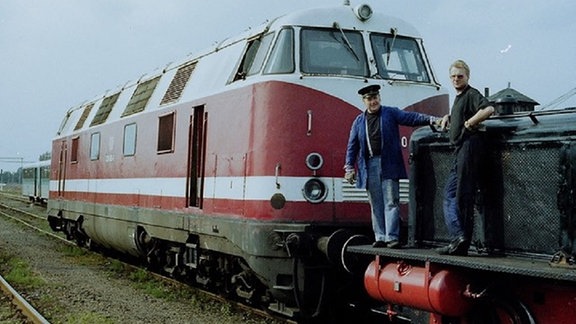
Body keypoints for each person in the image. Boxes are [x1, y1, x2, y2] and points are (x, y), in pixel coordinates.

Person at [344, 84, 448, 248]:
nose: (373, 101)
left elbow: (411, 118)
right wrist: (349, 168)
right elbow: (352, 146)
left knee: (391, 201)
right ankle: (379, 236)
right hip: (369, 165)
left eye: (375, 97)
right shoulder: (358, 122)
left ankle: (391, 237)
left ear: (379, 98)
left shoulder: (390, 113)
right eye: (370, 99)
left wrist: (432, 120)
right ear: (364, 101)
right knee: (376, 203)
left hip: (389, 164)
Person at [436, 60, 495, 256]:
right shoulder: (460, 97)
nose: (455, 79)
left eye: (460, 76)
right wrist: (449, 117)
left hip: (468, 148)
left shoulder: (471, 94)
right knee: (453, 195)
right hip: (460, 150)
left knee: (456, 195)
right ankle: (459, 238)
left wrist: (469, 124)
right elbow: (461, 114)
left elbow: (488, 109)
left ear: (467, 77)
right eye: (453, 76)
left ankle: (459, 238)